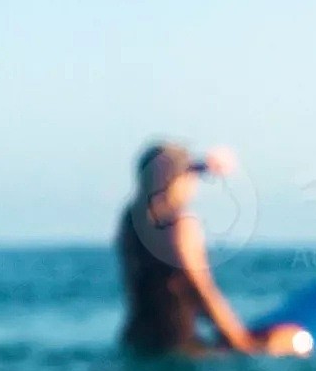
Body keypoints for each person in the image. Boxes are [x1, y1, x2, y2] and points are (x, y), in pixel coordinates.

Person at [117, 142, 303, 356]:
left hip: (136, 341)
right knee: (294, 340)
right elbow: (201, 289)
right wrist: (242, 342)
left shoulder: (131, 221)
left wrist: (205, 165)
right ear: (175, 180)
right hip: (179, 346)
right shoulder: (180, 225)